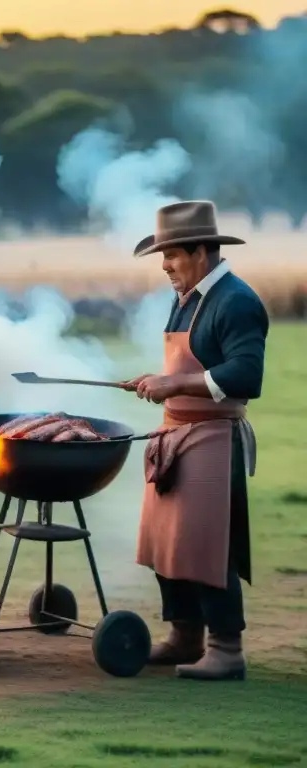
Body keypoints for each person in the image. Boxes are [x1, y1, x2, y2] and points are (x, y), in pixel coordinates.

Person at [125, 200, 268, 681]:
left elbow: (246, 374)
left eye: (172, 254)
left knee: (208, 545)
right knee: (168, 543)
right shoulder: (188, 295)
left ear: (202, 251)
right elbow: (190, 365)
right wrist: (158, 380)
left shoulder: (237, 301)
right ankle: (184, 635)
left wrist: (177, 384)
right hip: (175, 434)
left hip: (212, 438)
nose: (164, 264)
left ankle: (226, 649)